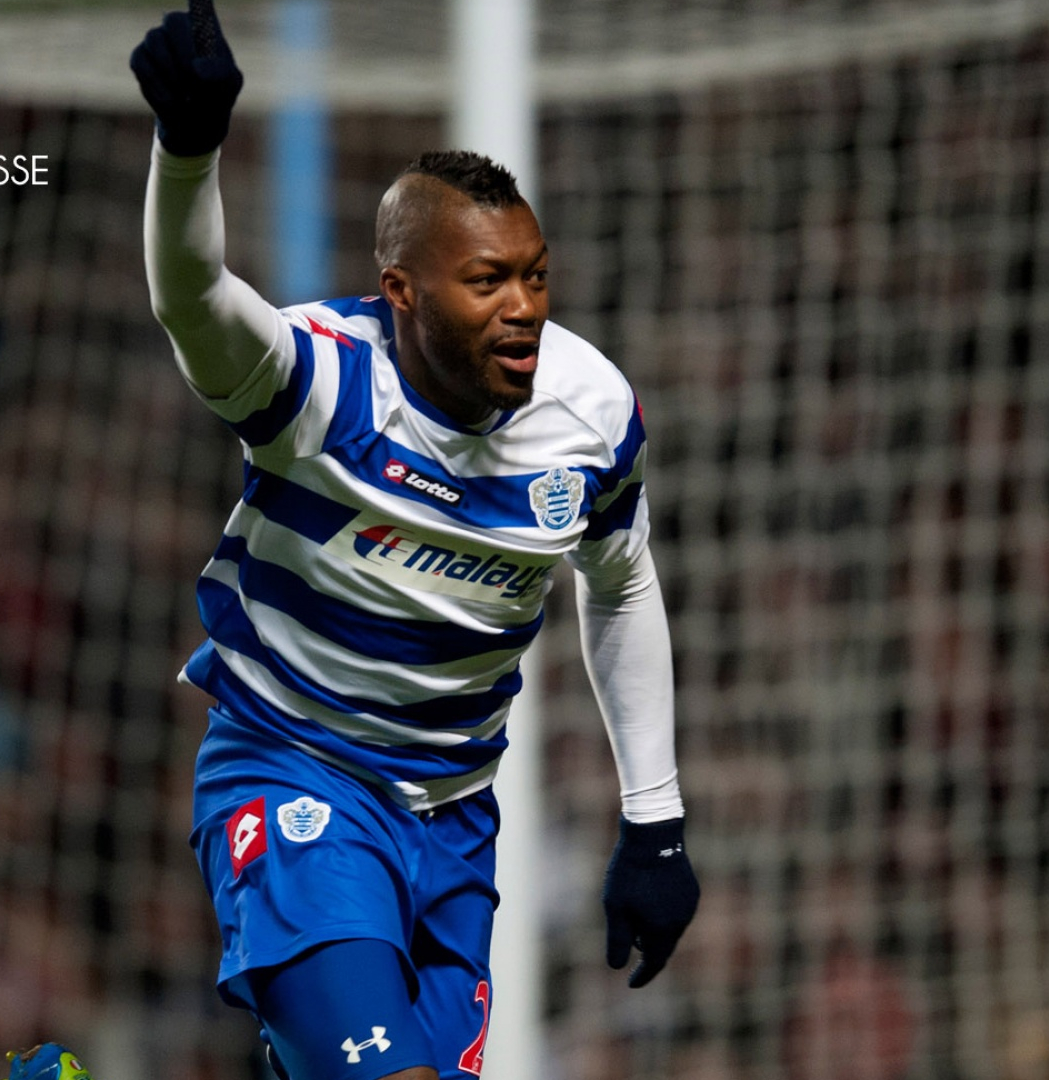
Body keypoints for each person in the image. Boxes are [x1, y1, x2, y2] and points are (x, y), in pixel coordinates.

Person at [120, 4, 700, 1079]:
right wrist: (187, 152)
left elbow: (621, 584)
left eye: (535, 275)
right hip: (298, 780)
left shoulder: (593, 412)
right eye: (487, 282)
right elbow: (193, 299)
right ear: (401, 291)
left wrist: (653, 822)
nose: (524, 308)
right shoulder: (319, 383)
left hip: (453, 824)